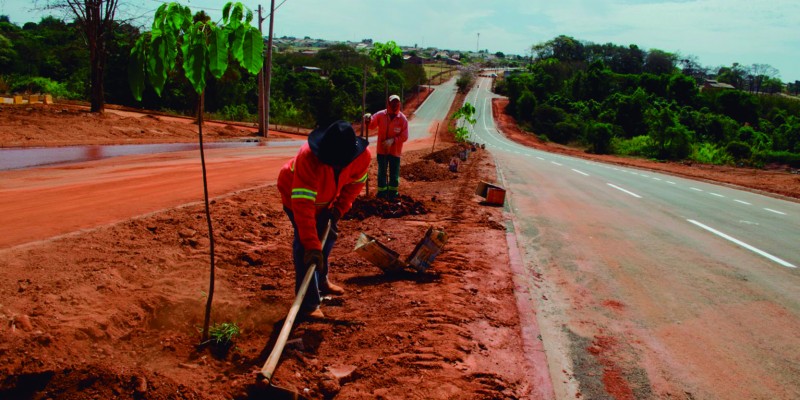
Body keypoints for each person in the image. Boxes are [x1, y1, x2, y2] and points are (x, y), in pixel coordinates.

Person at [277, 120, 371, 318]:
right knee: (305, 248)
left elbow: (354, 186)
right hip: (296, 198)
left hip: (327, 202)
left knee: (328, 237)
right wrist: (311, 245)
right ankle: (309, 304)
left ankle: (321, 280)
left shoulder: (362, 158)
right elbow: (303, 208)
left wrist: (338, 210)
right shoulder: (308, 159)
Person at [364, 94, 409, 199]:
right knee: (381, 173)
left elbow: (405, 136)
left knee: (394, 174)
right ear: (388, 104)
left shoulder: (402, 119)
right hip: (382, 151)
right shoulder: (380, 115)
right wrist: (368, 119)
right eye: (392, 103)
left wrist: (393, 140)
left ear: (399, 104)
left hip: (395, 151)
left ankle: (393, 194)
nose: (395, 105)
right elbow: (371, 125)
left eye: (396, 103)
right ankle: (382, 194)